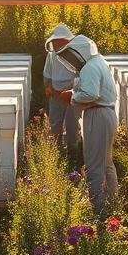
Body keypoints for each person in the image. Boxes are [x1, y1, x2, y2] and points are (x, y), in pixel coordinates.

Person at [55, 35, 118, 215]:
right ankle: (112, 206)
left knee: (94, 166)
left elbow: (90, 94)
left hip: (97, 114)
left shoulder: (89, 67)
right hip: (104, 113)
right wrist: (74, 92)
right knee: (106, 163)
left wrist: (72, 97)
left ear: (80, 52)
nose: (71, 60)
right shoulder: (98, 62)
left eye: (72, 56)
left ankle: (99, 212)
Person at [43, 23, 79, 158]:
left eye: (60, 40)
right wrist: (48, 87)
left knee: (72, 123)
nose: (58, 43)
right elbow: (47, 73)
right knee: (55, 122)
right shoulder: (51, 55)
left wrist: (73, 91)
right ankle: (56, 151)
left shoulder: (75, 54)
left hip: (71, 94)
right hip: (55, 94)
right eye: (56, 41)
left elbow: (80, 75)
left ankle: (73, 152)